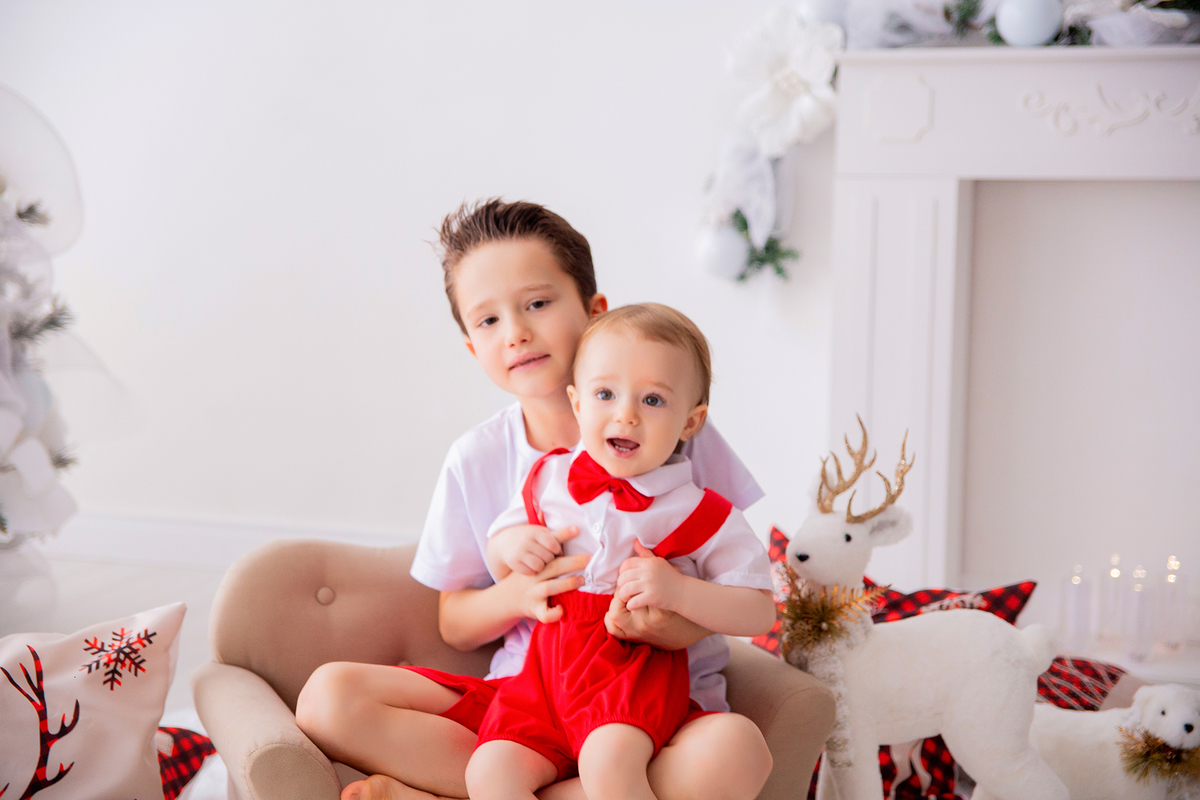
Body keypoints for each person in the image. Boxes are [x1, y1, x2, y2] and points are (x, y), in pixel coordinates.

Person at [296, 200, 772, 800]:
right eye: (488, 321)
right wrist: (517, 594)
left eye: (538, 304)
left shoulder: (673, 427)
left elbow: (740, 586)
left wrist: (672, 621)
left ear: (595, 311)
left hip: (657, 706)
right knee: (326, 697)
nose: (516, 332)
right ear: (472, 347)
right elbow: (455, 620)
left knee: (738, 754)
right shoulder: (479, 458)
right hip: (527, 699)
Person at [466, 303, 777, 800]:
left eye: (652, 400)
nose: (625, 413)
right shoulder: (549, 477)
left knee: (608, 762)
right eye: (605, 394)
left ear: (691, 421)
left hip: (629, 669)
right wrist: (512, 545)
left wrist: (678, 591)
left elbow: (759, 609)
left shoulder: (701, 513)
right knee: (489, 771)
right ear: (577, 402)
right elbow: (500, 550)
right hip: (545, 674)